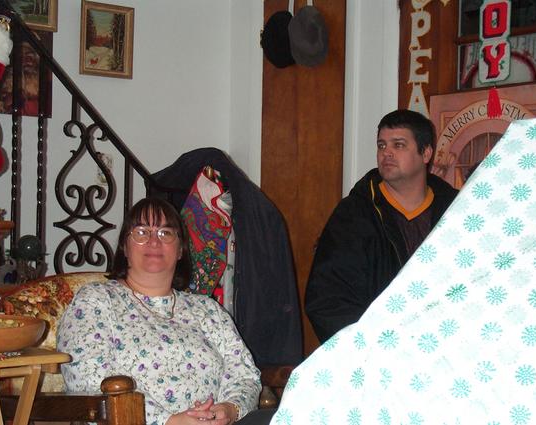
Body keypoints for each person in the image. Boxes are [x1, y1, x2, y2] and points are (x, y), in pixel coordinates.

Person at [58, 198, 271, 425]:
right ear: (125, 247)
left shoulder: (208, 310)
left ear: (180, 250)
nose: (154, 241)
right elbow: (85, 376)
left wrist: (230, 409)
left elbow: (245, 375)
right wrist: (168, 421)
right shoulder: (96, 300)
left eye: (165, 233)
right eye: (141, 232)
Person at [305, 109, 459, 343]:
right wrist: (372, 344)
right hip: (376, 351)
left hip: (444, 345)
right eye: (381, 145)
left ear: (426, 153)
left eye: (398, 145)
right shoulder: (354, 215)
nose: (387, 152)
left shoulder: (454, 211)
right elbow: (328, 300)